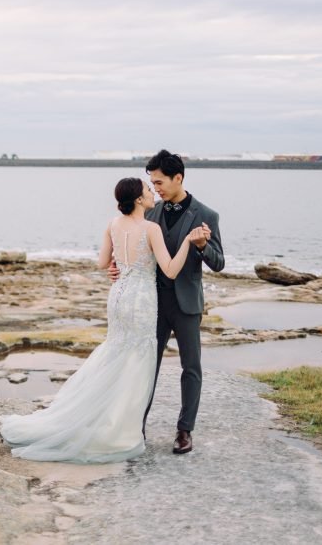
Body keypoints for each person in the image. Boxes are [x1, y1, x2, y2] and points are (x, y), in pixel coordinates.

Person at [0, 177, 207, 463]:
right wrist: (186, 242)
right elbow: (170, 270)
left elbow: (102, 263)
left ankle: (103, 418)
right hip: (141, 301)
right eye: (147, 191)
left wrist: (118, 267)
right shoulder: (151, 228)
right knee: (137, 362)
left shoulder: (112, 224)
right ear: (137, 199)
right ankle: (121, 427)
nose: (151, 194)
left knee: (116, 353)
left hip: (118, 297)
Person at [110, 149, 225, 455]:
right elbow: (136, 252)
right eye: (152, 184)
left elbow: (219, 263)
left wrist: (201, 246)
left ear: (179, 178)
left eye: (160, 182)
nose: (156, 188)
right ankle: (137, 427)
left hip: (187, 304)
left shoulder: (206, 215)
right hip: (152, 304)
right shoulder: (149, 212)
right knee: (147, 366)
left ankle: (185, 430)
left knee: (192, 368)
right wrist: (118, 268)